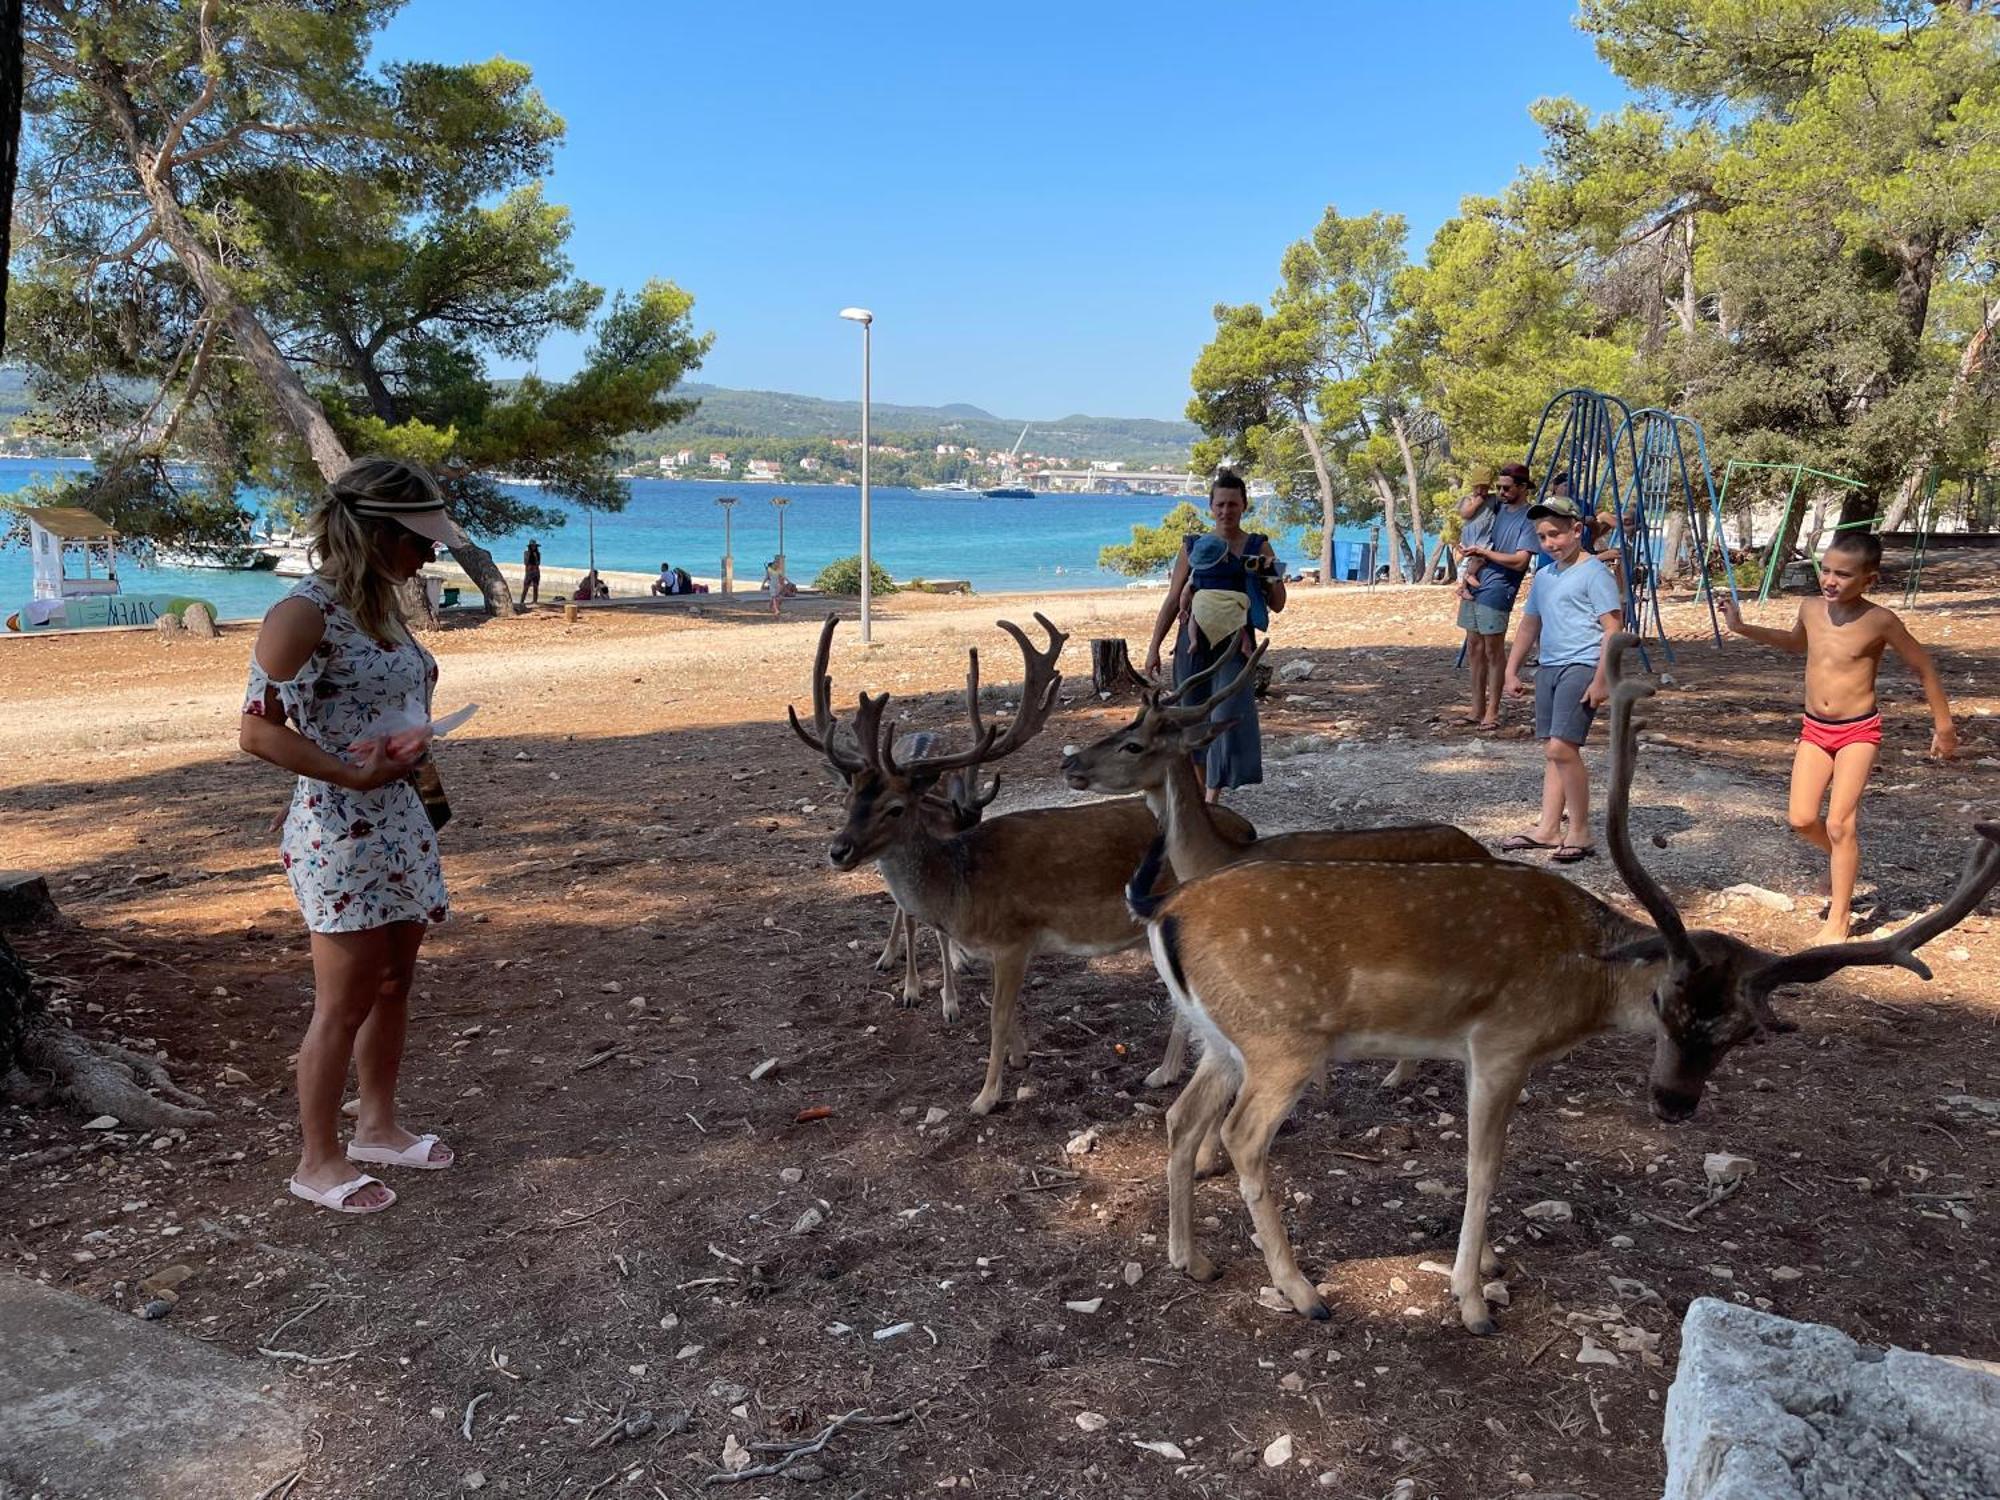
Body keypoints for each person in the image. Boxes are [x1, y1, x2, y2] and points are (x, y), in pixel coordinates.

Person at [238, 457, 463, 1216]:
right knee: (341, 1003)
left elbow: (380, 706)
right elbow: (256, 732)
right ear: (372, 533)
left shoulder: (386, 608)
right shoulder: (301, 614)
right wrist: (344, 773)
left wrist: (408, 750)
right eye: (416, 539)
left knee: (395, 984)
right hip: (341, 828)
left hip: (400, 818)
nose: (429, 554)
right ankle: (317, 1161)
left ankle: (377, 1127)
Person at [1723, 532, 1958, 941]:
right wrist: (1741, 627)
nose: (1830, 580)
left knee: (1839, 822)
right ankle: (1843, 862)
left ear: (1869, 580)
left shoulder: (1880, 620)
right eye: (1826, 570)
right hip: (1815, 728)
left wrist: (1944, 726)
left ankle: (1840, 919)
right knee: (1801, 818)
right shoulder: (1811, 608)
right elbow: (1797, 644)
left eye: (1843, 575)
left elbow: (1923, 667)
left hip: (1858, 731)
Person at [1143, 469, 1287, 802]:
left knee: (1227, 716)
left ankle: (1212, 798)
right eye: (1220, 504)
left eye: (1233, 504)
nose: (1226, 511)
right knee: (1190, 718)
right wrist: (1153, 648)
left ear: (1244, 506)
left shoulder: (1257, 546)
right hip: (1192, 642)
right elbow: (1172, 599)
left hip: (1236, 645)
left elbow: (1278, 604)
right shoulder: (1194, 547)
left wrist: (1273, 576)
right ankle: (1200, 796)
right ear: (1210, 506)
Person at [1500, 493, 1623, 864]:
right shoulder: (1545, 575)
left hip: (1582, 665)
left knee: (1562, 748)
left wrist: (1603, 678)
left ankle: (1581, 831)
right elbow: (1530, 623)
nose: (1550, 543)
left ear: (1576, 530)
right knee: (1553, 751)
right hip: (1550, 665)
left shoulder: (1594, 573)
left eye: (1556, 534)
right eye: (1542, 537)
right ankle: (1548, 827)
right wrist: (1511, 668)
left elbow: (1613, 627)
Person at [1454, 462, 1540, 730]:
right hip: (1477, 582)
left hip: (1499, 587)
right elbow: (1465, 511)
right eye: (1499, 487)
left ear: (1523, 488)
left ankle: (1493, 711)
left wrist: (1484, 553)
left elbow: (1520, 561)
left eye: (1506, 488)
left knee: (1493, 648)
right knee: (1474, 647)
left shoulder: (1529, 519)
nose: (1500, 492)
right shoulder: (1493, 506)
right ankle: (1476, 709)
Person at [521, 539, 541, 605]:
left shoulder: (538, 554)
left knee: (536, 587)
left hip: (536, 572)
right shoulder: (526, 553)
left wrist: (535, 557)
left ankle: (535, 601)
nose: (533, 547)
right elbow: (526, 562)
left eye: (534, 546)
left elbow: (538, 563)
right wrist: (530, 555)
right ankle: (522, 601)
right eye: (532, 546)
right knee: (526, 587)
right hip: (529, 572)